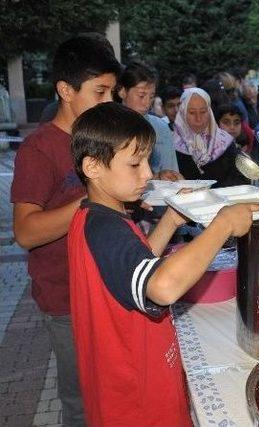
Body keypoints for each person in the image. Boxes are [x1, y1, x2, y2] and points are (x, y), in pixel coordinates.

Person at [68, 102, 259, 425]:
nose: (147, 174)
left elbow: (135, 266)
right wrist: (223, 225)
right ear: (92, 167)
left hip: (130, 385)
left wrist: (173, 219)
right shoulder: (105, 229)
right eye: (135, 164)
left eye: (147, 161)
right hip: (135, 402)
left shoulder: (96, 217)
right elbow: (161, 287)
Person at [11, 34, 121, 427]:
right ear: (65, 90)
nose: (109, 102)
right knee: (81, 402)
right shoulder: (39, 149)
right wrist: (91, 197)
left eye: (113, 92)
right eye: (100, 92)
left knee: (113, 391)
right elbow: (25, 232)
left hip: (110, 287)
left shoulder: (101, 138)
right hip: (67, 302)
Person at [118, 61, 181, 181]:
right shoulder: (109, 128)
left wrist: (164, 176)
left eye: (151, 97)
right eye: (141, 95)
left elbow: (172, 174)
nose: (147, 103)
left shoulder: (160, 128)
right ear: (122, 91)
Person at [174, 87, 248, 187]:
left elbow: (241, 178)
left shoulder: (224, 142)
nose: (198, 118)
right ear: (182, 113)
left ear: (209, 112)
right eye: (192, 112)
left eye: (203, 112)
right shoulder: (172, 144)